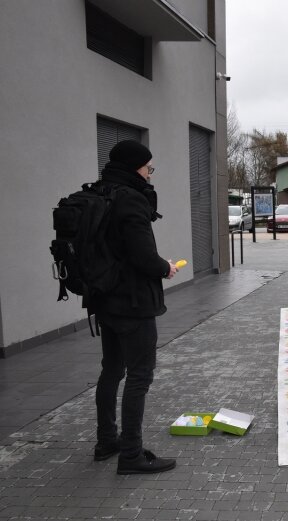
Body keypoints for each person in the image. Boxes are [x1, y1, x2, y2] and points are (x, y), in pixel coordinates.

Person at [93, 140, 179, 474]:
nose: (149, 174)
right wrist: (164, 267)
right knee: (139, 376)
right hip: (132, 302)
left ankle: (106, 441)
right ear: (135, 168)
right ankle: (131, 454)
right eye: (148, 168)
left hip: (105, 300)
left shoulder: (102, 192)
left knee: (112, 370)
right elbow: (143, 256)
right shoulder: (130, 198)